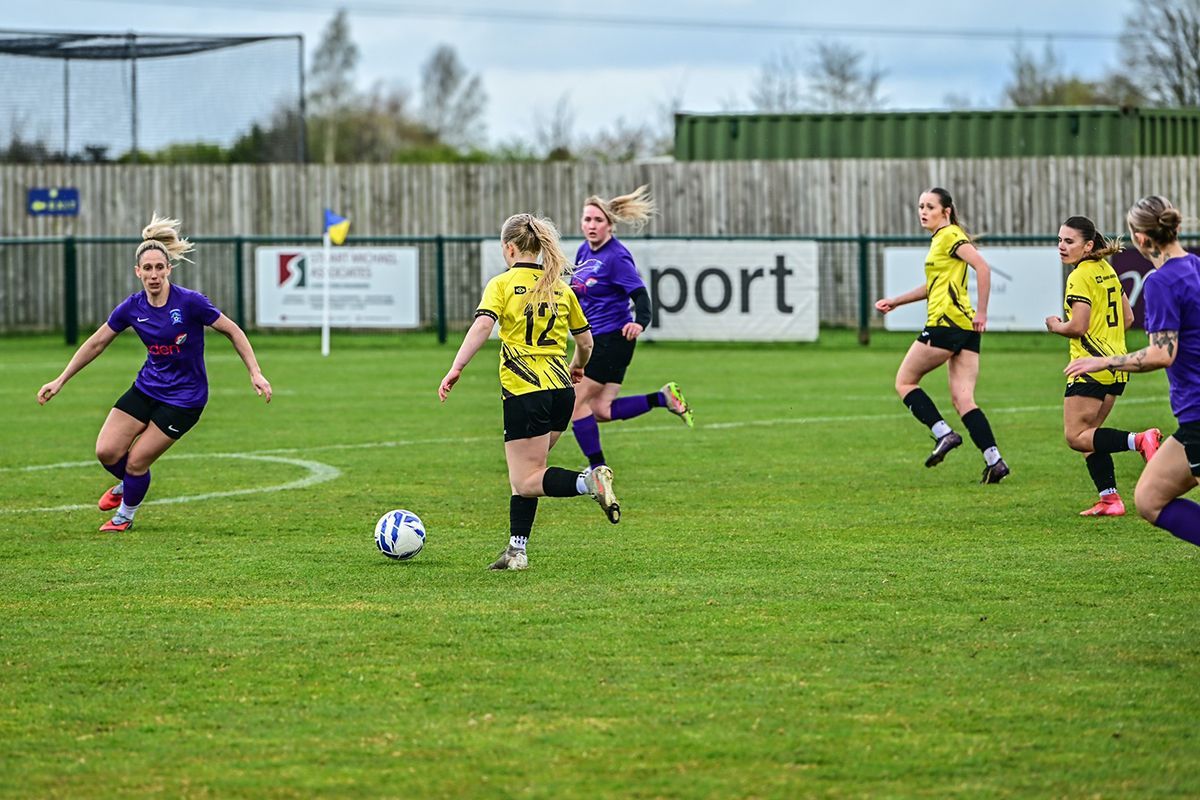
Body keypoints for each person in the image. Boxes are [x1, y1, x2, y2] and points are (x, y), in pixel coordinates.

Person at [36, 213, 272, 532]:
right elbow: (96, 343)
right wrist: (60, 379)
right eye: (147, 268)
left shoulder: (190, 303)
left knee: (136, 462)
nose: (154, 274)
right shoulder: (132, 307)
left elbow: (233, 330)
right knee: (106, 451)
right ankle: (129, 483)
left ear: (168, 269)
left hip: (185, 399)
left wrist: (255, 372)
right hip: (148, 388)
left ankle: (125, 515)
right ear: (138, 271)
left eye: (159, 267)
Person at [439, 212, 618, 572]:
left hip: (525, 390)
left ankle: (589, 481)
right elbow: (586, 342)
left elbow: (483, 326)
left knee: (528, 478)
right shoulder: (560, 287)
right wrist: (578, 366)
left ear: (509, 248)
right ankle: (516, 551)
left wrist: (457, 367)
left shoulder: (502, 284)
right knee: (526, 473)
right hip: (561, 391)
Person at [1066, 196, 1200, 547]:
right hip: (1191, 420)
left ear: (1140, 238)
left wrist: (1102, 361)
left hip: (1197, 411)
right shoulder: (1196, 266)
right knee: (1149, 499)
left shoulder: (1161, 282)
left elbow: (1162, 354)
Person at [874, 187, 1009, 483]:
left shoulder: (949, 235)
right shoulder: (941, 239)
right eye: (920, 206)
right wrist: (896, 301)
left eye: (930, 207)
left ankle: (943, 433)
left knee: (905, 382)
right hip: (964, 329)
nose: (923, 212)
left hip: (945, 324)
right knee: (963, 400)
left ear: (946, 211)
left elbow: (983, 268)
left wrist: (982, 312)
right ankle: (995, 461)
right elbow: (932, 286)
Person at [568, 185, 693, 474]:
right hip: (596, 338)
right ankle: (662, 398)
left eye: (598, 220)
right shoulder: (583, 251)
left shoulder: (616, 257)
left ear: (610, 225)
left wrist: (640, 322)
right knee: (601, 410)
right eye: (587, 219)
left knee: (574, 403)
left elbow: (641, 296)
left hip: (612, 339)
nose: (591, 225)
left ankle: (599, 470)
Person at [1045, 215, 1162, 516]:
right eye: (1059, 240)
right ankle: (1110, 499)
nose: (1061, 246)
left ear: (1087, 246)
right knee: (1090, 436)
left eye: (1069, 241)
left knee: (1075, 436)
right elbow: (1128, 318)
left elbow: (1078, 326)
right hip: (1116, 365)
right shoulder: (1106, 269)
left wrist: (1055, 325)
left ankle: (1139, 440)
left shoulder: (1079, 276)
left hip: (1090, 366)